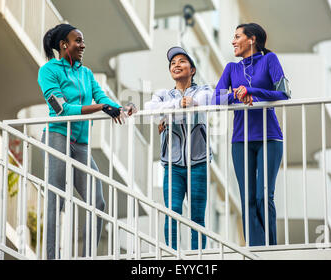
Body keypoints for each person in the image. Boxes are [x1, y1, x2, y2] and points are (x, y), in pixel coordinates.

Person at [38, 23, 136, 259]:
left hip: (80, 144)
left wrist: (121, 107)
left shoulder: (86, 73)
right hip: (57, 136)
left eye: (82, 41)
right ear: (64, 45)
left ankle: (87, 256)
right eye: (78, 41)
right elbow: (61, 109)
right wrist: (100, 107)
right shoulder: (49, 70)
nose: (83, 45)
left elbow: (102, 98)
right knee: (56, 199)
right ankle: (52, 256)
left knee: (97, 201)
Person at [212, 23, 291, 246]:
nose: (233, 41)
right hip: (240, 140)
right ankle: (256, 251)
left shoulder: (269, 60)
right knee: (247, 199)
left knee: (263, 196)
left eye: (237, 36)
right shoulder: (231, 68)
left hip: (270, 137)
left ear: (252, 39)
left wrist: (252, 91)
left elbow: (284, 93)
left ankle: (271, 248)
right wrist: (238, 96)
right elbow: (216, 99)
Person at [144, 46, 213, 250]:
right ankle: (173, 255)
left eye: (182, 61)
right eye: (173, 63)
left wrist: (175, 112)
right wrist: (177, 106)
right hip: (172, 165)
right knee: (172, 212)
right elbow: (150, 108)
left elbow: (205, 100)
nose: (176, 65)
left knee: (197, 215)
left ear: (192, 70)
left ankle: (197, 256)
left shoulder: (203, 91)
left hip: (198, 162)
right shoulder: (163, 94)